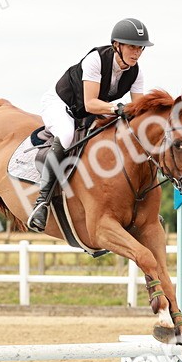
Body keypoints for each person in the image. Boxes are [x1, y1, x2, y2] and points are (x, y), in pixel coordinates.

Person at [28, 18, 152, 231]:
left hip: (89, 112)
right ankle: (42, 202)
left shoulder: (136, 72)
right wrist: (117, 109)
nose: (137, 53)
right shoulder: (96, 60)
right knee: (66, 135)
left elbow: (138, 108)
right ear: (117, 45)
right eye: (132, 47)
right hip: (62, 104)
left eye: (140, 48)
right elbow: (90, 103)